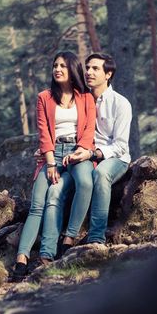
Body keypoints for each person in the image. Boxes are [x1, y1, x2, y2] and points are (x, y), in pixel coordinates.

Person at [13, 51, 96, 281]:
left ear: (72, 70)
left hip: (77, 153)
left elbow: (89, 129)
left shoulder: (86, 98)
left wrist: (81, 151)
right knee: (38, 203)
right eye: (55, 65)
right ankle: (23, 259)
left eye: (63, 66)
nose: (57, 69)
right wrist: (50, 163)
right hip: (51, 155)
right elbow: (44, 133)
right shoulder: (44, 97)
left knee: (85, 183)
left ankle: (68, 239)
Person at [60, 53, 132, 251]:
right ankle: (59, 240)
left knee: (100, 174)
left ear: (108, 74)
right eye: (88, 68)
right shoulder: (80, 100)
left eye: (95, 69)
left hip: (114, 158)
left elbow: (121, 145)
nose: (89, 72)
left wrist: (93, 154)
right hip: (84, 154)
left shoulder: (121, 104)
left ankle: (96, 238)